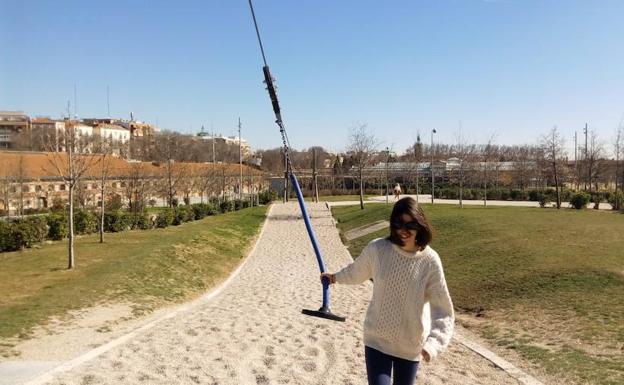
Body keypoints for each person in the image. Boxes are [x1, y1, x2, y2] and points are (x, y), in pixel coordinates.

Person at [321, 197, 454, 385]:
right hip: (377, 341)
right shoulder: (378, 249)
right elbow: (357, 272)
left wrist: (434, 344)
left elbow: (443, 311)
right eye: (398, 223)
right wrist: (335, 277)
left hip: (410, 346)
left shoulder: (430, 262)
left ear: (420, 225)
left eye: (411, 224)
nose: (404, 230)